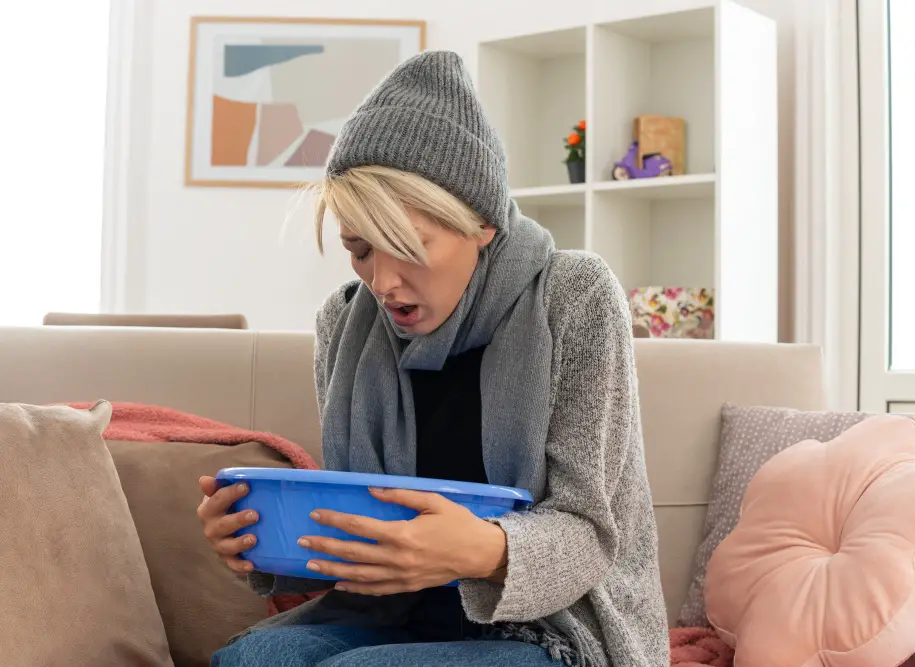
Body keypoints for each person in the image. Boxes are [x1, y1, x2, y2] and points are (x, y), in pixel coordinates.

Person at [197, 50, 668, 667]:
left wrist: (480, 550)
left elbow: (590, 532)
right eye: (359, 249)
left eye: (408, 247)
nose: (383, 282)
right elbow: (361, 524)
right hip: (396, 611)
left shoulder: (573, 298)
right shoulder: (345, 321)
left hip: (555, 626)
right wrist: (258, 542)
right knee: (250, 662)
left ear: (482, 224)